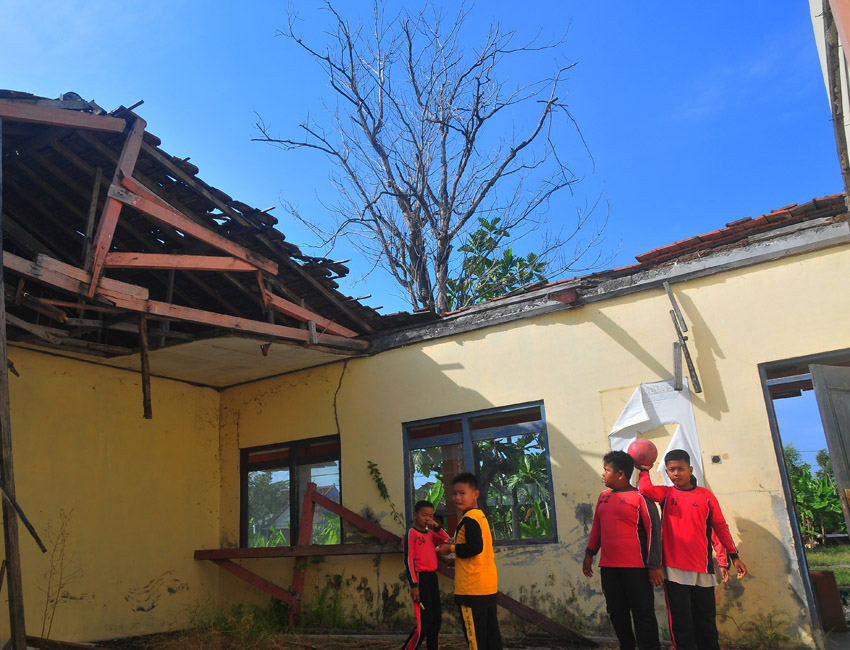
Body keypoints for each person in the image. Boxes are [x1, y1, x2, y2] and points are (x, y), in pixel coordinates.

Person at [637, 449, 747, 650]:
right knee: (680, 620)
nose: (676, 473)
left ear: (690, 469)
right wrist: (644, 469)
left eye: (680, 468)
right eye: (671, 470)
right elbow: (644, 489)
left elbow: (720, 527)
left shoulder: (706, 496)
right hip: (673, 569)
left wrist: (734, 556)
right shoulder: (666, 494)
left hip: (702, 568)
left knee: (705, 617)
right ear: (667, 472)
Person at [583, 450, 663, 650]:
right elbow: (597, 528)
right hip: (609, 568)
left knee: (643, 613)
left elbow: (654, 531)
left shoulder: (640, 498)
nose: (603, 474)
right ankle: (627, 646)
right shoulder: (603, 497)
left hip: (637, 569)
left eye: (606, 470)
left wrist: (654, 565)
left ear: (620, 474)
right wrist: (589, 553)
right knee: (617, 612)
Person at [437, 473, 502, 650]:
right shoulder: (479, 516)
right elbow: (473, 551)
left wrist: (448, 549)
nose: (457, 497)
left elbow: (474, 548)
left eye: (462, 493)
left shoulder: (469, 519)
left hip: (471, 590)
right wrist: (454, 557)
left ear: (475, 494)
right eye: (454, 493)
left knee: (476, 641)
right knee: (491, 636)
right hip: (486, 586)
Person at [402, 500, 451, 650]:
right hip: (420, 579)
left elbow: (447, 541)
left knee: (436, 620)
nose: (427, 518)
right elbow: (408, 560)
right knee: (424, 623)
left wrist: (437, 526)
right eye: (424, 515)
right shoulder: (412, 533)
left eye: (431, 516)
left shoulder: (431, 534)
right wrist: (414, 585)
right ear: (416, 515)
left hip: (432, 578)